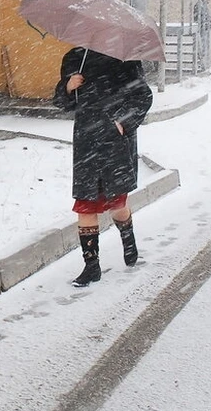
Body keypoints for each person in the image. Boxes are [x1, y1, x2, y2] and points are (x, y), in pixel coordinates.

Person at [53, 47, 153, 287]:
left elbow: (143, 97)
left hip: (115, 142)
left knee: (117, 205)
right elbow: (61, 102)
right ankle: (91, 267)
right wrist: (68, 87)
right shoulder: (75, 57)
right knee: (85, 205)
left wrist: (122, 122)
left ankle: (128, 241)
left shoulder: (125, 59)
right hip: (86, 142)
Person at [195, 0, 211, 72]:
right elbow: (200, 17)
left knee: (204, 47)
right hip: (201, 30)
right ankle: (199, 64)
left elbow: (206, 17)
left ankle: (202, 64)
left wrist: (210, 22)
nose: (209, 0)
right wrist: (206, 24)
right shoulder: (200, 5)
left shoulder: (204, 5)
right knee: (201, 47)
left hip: (204, 30)